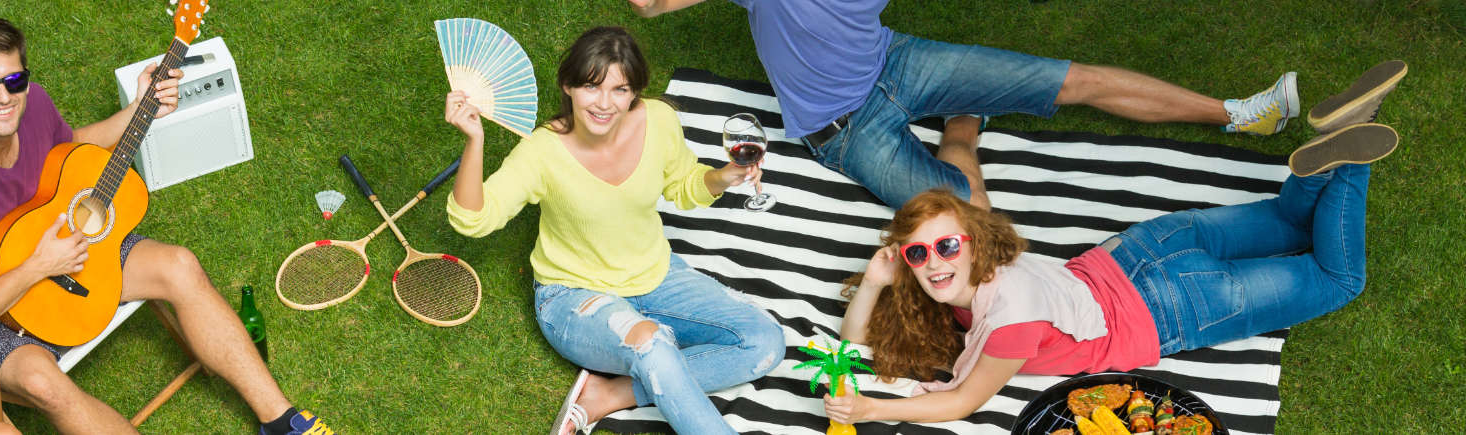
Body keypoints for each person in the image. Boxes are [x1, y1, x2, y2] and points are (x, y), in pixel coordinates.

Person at [821, 102, 1399, 423]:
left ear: (971, 241)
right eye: (918, 253)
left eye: (946, 246)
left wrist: (874, 407)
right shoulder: (984, 256)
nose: (934, 264)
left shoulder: (1011, 321)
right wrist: (875, 281)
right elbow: (853, 346)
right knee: (1294, 222)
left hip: (1173, 305)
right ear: (907, 259)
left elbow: (965, 400)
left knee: (1338, 279)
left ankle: (1351, 159)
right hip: (1147, 246)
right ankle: (1343, 129)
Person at [0, 13, 327, 435]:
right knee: (43, 383)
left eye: (15, 81)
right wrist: (38, 266)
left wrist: (140, 109)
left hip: (67, 249)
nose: (5, 97)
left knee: (179, 265)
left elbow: (69, 151)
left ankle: (283, 421)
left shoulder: (32, 103)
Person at [623, 0, 1406, 212]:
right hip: (844, 130)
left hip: (901, 62)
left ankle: (1245, 113)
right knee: (966, 212)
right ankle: (967, 129)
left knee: (1078, 80)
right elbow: (653, 3)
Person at [443, 26, 784, 435]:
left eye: (620, 90)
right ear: (568, 86)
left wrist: (723, 177)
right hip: (573, 296)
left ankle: (610, 395)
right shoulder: (541, 152)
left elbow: (682, 184)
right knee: (651, 345)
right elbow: (472, 219)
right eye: (591, 87)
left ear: (634, 92)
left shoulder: (658, 120)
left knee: (765, 343)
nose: (605, 104)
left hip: (656, 275)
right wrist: (474, 140)